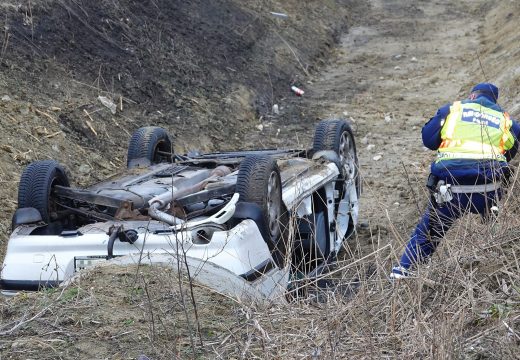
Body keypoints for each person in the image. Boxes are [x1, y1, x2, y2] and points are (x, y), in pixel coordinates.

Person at [390, 82, 520, 279]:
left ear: (473, 96)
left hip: (450, 193)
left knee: (427, 234)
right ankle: (495, 242)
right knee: (493, 209)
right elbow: (509, 154)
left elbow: (428, 140)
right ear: (495, 101)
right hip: (488, 192)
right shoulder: (506, 121)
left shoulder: (452, 110)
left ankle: (404, 273)